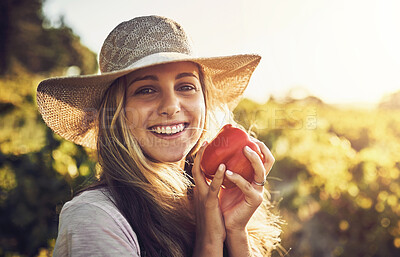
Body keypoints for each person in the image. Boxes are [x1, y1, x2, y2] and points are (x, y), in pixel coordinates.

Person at [37, 15, 281, 257]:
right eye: (146, 90)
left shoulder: (212, 196)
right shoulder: (95, 216)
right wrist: (208, 242)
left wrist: (236, 232)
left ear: (204, 100)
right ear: (116, 111)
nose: (171, 106)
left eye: (186, 86)